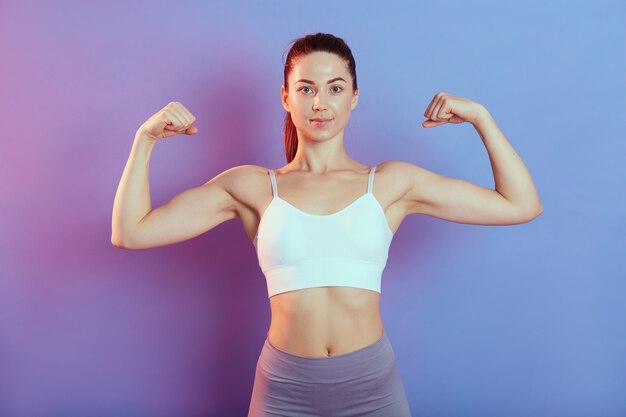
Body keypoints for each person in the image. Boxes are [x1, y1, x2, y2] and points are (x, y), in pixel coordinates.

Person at [111, 32, 543, 417]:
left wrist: (482, 118)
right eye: (306, 89)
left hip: (372, 386)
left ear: (354, 96)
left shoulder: (391, 183)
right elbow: (131, 232)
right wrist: (144, 140)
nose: (320, 103)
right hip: (284, 389)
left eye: (335, 88)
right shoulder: (253, 187)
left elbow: (519, 205)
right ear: (286, 97)